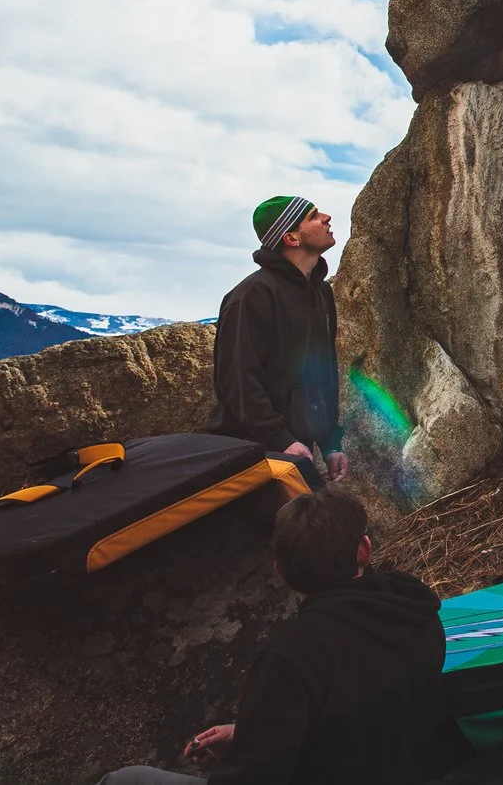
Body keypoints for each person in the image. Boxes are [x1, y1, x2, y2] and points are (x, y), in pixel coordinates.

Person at [98, 489, 446, 785]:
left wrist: (236, 758)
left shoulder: (290, 657)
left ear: (280, 572)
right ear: (364, 549)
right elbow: (363, 714)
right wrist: (252, 731)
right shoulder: (416, 611)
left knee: (125, 780)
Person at [209, 195, 346, 486]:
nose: (326, 217)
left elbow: (323, 373)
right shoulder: (252, 296)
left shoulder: (321, 294)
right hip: (252, 455)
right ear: (291, 238)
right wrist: (280, 439)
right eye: (312, 216)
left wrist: (330, 442)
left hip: (298, 450)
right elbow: (238, 380)